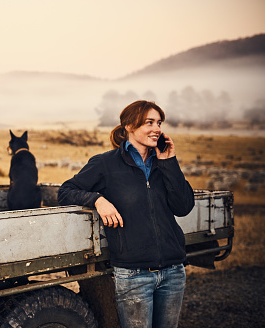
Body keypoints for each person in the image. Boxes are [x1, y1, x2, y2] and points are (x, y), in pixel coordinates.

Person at [57, 100, 195, 328]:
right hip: (133, 274)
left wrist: (169, 162)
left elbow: (183, 207)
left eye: (159, 122)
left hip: (173, 271)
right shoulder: (105, 164)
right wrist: (97, 200)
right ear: (129, 126)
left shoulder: (164, 163)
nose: (157, 128)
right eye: (149, 122)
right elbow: (66, 191)